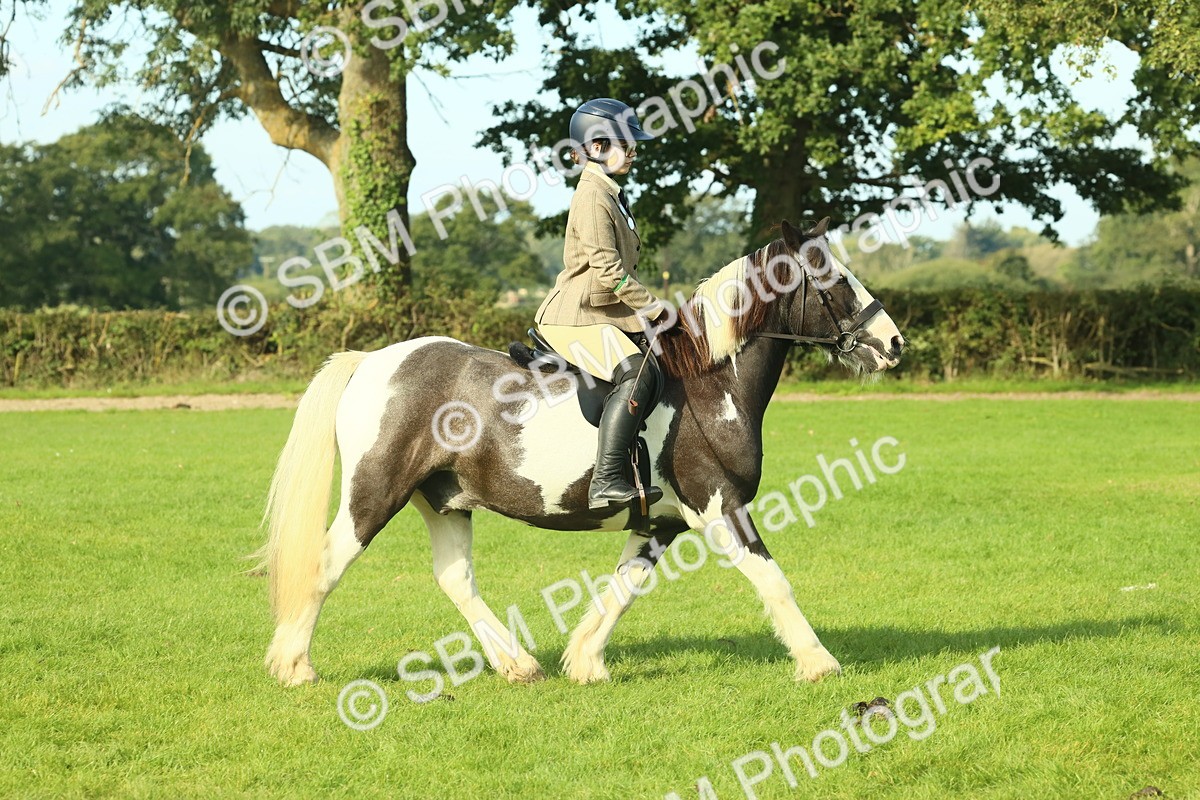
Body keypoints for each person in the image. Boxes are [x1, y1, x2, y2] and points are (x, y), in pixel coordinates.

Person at [533, 98, 667, 510]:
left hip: (601, 313)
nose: (633, 152)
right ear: (595, 147)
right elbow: (609, 270)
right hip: (575, 316)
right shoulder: (593, 195)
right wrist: (653, 308)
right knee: (635, 373)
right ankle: (606, 480)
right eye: (625, 144)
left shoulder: (610, 193)